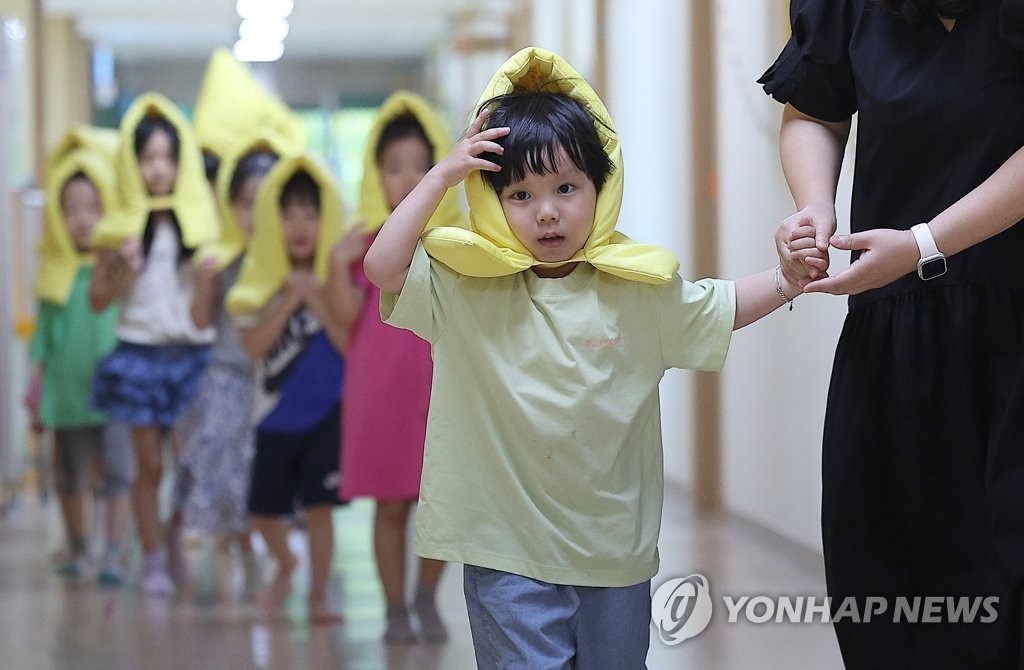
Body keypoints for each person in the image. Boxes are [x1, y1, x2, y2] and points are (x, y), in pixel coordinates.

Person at [364, 47, 802, 667]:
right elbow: (381, 266)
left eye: (566, 187)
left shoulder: (636, 289)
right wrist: (441, 177)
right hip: (504, 550)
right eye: (519, 193)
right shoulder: (463, 285)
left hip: (612, 553)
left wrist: (788, 279)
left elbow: (720, 306)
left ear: (602, 186)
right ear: (490, 201)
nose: (546, 210)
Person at [760, 1, 1024, 666]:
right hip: (896, 331)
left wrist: (924, 243)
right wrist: (815, 206)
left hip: (1010, 319)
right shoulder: (850, 9)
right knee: (883, 589)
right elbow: (814, 109)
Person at [336, 91, 464, 644]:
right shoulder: (367, 246)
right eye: (394, 169)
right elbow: (345, 324)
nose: (409, 179)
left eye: (421, 166)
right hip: (381, 390)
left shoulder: (460, 247)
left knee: (445, 504)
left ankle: (424, 598)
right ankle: (393, 608)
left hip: (444, 388)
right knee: (389, 504)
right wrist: (333, 269)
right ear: (375, 175)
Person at [89, 93, 221, 597]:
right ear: (133, 162)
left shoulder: (200, 226)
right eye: (148, 158)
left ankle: (171, 536)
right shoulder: (119, 228)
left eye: (168, 157)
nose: (159, 169)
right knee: (148, 465)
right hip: (138, 354)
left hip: (189, 355)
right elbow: (99, 300)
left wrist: (207, 284)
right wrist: (122, 266)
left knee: (188, 465)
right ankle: (150, 560)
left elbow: (200, 316)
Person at [226, 155, 350, 625]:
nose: (299, 226)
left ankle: (318, 597)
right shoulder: (256, 282)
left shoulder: (333, 276)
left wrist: (314, 295)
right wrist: (287, 299)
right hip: (272, 417)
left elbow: (345, 342)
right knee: (263, 511)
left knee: (320, 511)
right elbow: (254, 346)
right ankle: (285, 562)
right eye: (288, 213)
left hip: (325, 417)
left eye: (311, 213)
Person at [169, 137, 288, 601]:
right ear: (229, 206)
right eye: (244, 205)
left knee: (255, 470)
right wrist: (204, 284)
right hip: (225, 376)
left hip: (271, 382)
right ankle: (230, 543)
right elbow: (200, 320)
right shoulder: (221, 258)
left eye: (264, 205)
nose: (253, 216)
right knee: (222, 466)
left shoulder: (284, 259)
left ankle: (247, 541)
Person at [29, 129, 134, 586]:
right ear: (57, 215)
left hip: (114, 394)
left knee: (117, 475)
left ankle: (112, 551)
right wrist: (34, 390)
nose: (83, 220)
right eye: (71, 210)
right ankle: (77, 543)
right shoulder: (54, 275)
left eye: (93, 208)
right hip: (67, 397)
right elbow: (43, 340)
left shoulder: (113, 268)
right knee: (69, 476)